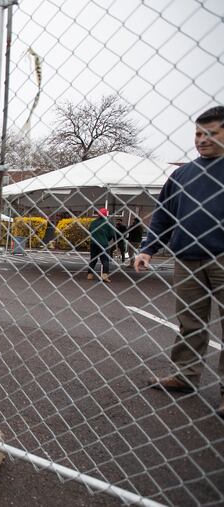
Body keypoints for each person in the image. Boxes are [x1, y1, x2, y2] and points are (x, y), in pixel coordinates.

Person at [135, 105, 224, 417]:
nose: (202, 139)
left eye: (211, 133)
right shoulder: (182, 174)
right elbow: (163, 217)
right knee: (189, 322)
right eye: (198, 133)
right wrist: (148, 248)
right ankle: (185, 376)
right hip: (186, 258)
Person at [87, 207, 116, 283]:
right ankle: (105, 275)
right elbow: (111, 234)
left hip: (93, 243)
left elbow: (90, 231)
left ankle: (90, 274)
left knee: (93, 259)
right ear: (106, 215)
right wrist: (106, 238)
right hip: (103, 244)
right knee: (105, 260)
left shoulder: (93, 223)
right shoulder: (108, 223)